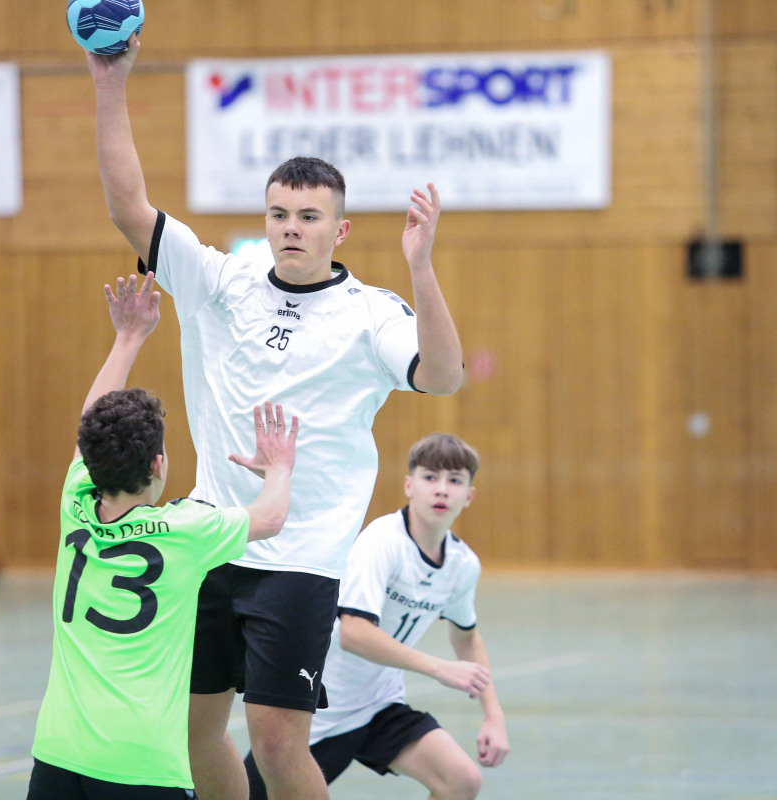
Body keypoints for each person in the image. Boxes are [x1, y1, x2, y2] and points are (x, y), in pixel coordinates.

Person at [85, 34, 465, 800]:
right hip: (212, 539)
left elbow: (442, 374)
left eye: (309, 216)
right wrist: (110, 80)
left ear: (339, 230)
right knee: (192, 732)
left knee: (277, 741)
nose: (291, 227)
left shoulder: (370, 314)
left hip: (301, 557)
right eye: (279, 213)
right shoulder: (221, 283)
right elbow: (129, 207)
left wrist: (422, 267)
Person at [27, 271, 299, 799]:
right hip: (142, 764)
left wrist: (127, 338)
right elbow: (269, 518)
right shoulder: (186, 530)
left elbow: (88, 427)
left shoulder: (75, 501)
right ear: (157, 464)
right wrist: (279, 468)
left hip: (58, 752)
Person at [243, 432, 509, 800]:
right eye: (430, 477)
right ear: (409, 485)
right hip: (320, 711)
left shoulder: (463, 564)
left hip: (380, 706)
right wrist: (439, 668)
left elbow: (467, 636)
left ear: (469, 495)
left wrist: (493, 715)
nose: (442, 489)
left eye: (455, 480)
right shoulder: (382, 541)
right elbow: (354, 633)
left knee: (461, 780)